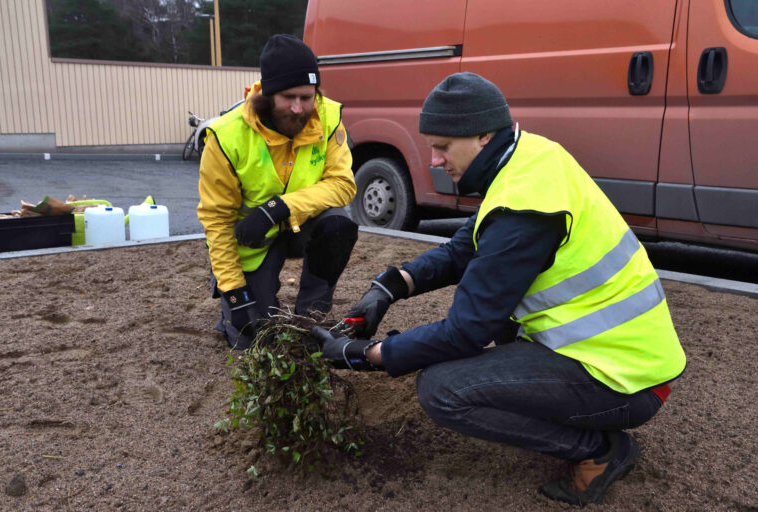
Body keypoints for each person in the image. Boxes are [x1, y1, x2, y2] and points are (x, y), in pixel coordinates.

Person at [311, 72, 686, 506]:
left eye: (443, 147)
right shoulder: (529, 159)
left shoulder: (523, 210)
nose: (434, 160)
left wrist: (366, 355)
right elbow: (459, 252)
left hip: (624, 380)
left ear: (483, 136)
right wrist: (387, 288)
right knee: (498, 333)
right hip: (624, 356)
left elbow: (465, 332)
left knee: (442, 391)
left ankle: (601, 451)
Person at [198, 34, 358, 350]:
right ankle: (232, 307)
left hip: (300, 225)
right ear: (268, 93)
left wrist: (278, 207)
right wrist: (233, 292)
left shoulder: (328, 119)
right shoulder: (227, 137)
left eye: (306, 97)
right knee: (252, 336)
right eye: (288, 97)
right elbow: (216, 223)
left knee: (339, 224)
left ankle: (310, 316)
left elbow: (343, 185)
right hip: (252, 237)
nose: (299, 109)